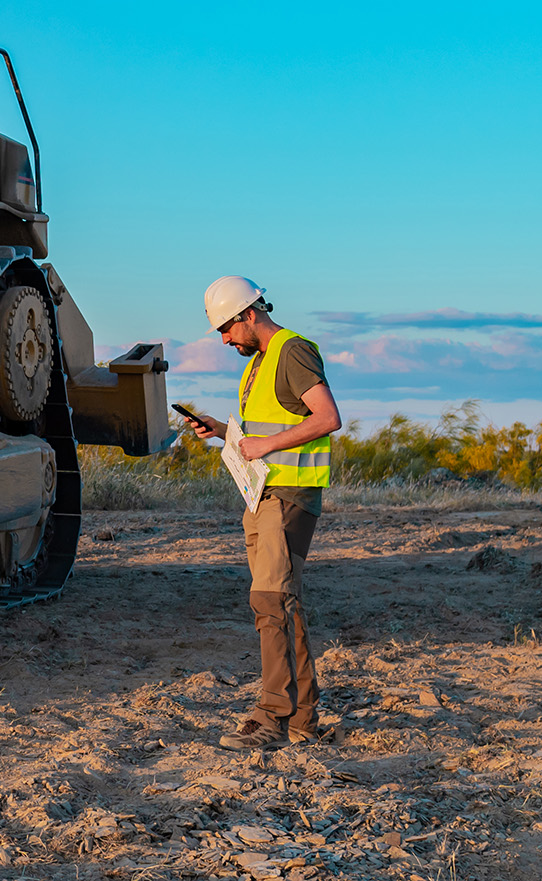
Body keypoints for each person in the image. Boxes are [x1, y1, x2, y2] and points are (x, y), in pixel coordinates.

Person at [184, 276, 341, 751]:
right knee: (279, 604)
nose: (226, 339)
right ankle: (301, 720)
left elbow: (327, 418)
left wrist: (266, 444)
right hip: (263, 496)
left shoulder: (292, 351)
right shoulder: (259, 363)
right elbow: (262, 433)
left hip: (288, 496)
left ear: (249, 313)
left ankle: (272, 716)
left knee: (271, 602)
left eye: (227, 329)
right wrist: (221, 430)